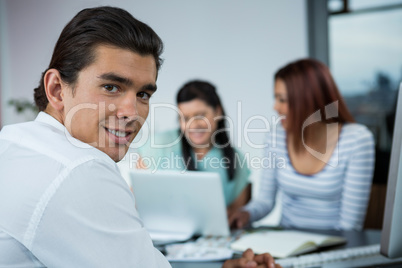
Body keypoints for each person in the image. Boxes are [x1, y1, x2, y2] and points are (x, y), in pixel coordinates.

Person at [0, 6, 279, 268]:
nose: (132, 112)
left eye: (143, 94)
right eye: (111, 87)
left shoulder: (12, 141)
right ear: (57, 90)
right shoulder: (80, 170)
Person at [229, 58, 375, 231]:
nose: (275, 107)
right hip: (286, 244)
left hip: (336, 245)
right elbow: (265, 201)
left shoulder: (356, 140)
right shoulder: (276, 136)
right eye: (276, 98)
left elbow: (350, 225)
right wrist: (246, 213)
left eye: (282, 100)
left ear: (309, 100)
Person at [136, 80, 251, 215]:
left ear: (218, 111)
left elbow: (235, 216)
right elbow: (136, 201)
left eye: (200, 115)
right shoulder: (158, 145)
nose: (193, 125)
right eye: (185, 118)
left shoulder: (237, 160)